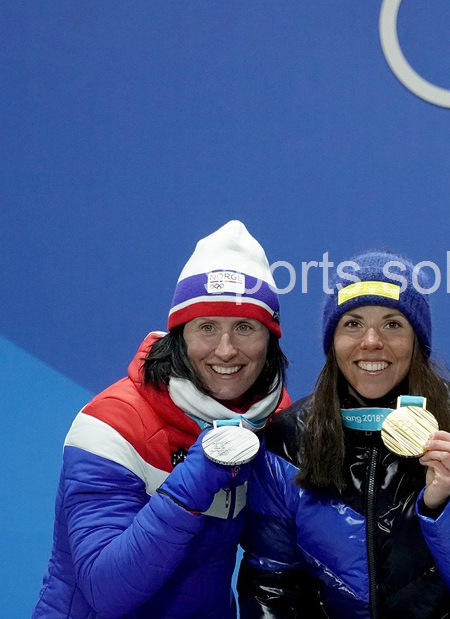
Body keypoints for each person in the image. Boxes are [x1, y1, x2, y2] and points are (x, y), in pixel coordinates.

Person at [237, 251, 450, 618]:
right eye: (353, 324)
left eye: (393, 324)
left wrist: (445, 505)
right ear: (333, 342)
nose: (372, 341)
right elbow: (270, 586)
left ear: (416, 341)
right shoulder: (289, 439)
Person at [34, 220, 291, 618]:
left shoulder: (270, 420)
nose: (226, 350)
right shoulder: (111, 424)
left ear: (269, 339)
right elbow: (107, 590)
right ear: (179, 338)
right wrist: (201, 469)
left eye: (245, 328)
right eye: (207, 327)